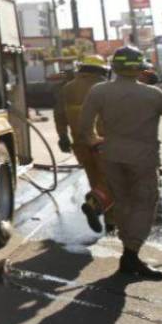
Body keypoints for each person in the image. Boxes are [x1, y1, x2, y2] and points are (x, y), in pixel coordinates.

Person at [77, 46, 162, 280]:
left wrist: (95, 142)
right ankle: (131, 254)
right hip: (143, 160)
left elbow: (84, 127)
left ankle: (128, 254)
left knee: (122, 202)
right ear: (140, 69)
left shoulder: (99, 91)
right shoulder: (153, 94)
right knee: (144, 204)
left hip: (111, 156)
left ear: (114, 67)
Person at [53, 55, 113, 232]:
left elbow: (59, 114)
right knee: (110, 182)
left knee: (95, 180)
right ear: (101, 70)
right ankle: (104, 217)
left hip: (80, 145)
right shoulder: (105, 88)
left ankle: (98, 209)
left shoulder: (67, 88)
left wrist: (63, 136)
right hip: (103, 142)